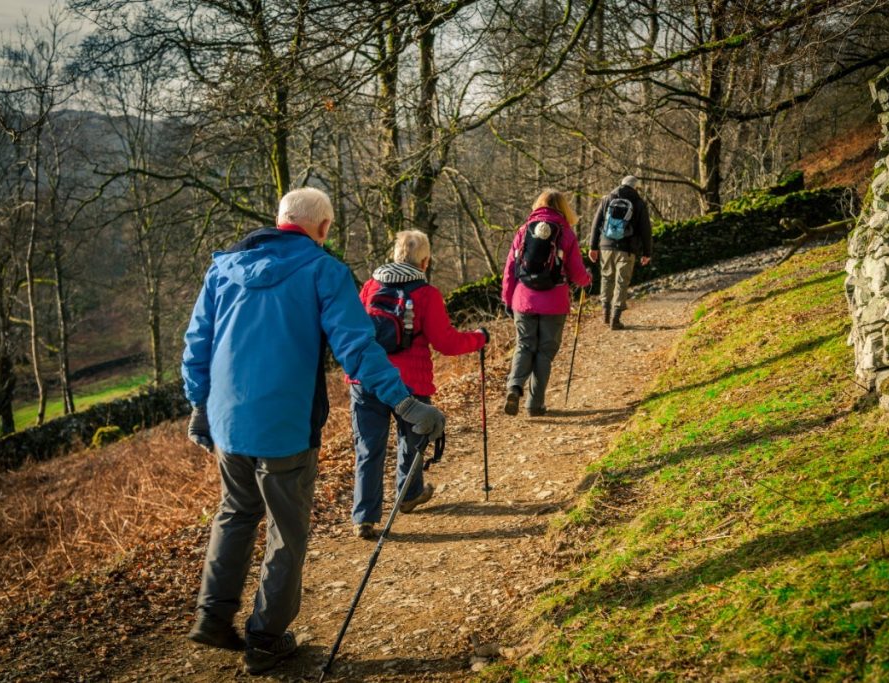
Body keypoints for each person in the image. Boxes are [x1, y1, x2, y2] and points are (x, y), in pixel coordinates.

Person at [180, 188, 445, 676]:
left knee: (235, 513)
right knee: (287, 528)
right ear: (323, 229)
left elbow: (197, 341)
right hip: (285, 425)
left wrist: (198, 404)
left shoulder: (223, 268)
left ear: (279, 219)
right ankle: (265, 639)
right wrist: (405, 403)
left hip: (227, 422)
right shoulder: (324, 271)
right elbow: (359, 350)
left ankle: (213, 615)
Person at [348, 230, 488, 539]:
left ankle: (364, 517)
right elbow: (446, 342)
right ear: (424, 261)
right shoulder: (426, 294)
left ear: (396, 255)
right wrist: (479, 338)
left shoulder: (371, 286)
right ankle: (409, 495)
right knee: (411, 440)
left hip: (366, 377)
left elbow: (355, 330)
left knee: (368, 448)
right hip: (410, 380)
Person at [501, 189, 592, 417]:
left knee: (524, 344)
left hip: (523, 299)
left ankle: (514, 386)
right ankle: (534, 404)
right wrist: (587, 280)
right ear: (563, 208)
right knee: (544, 352)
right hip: (554, 301)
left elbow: (510, 269)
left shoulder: (524, 230)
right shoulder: (566, 233)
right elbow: (577, 273)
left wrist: (507, 299)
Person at [588, 175, 653, 330]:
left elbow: (596, 223)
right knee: (621, 283)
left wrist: (593, 247)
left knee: (606, 278)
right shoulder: (638, 203)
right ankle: (615, 319)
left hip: (606, 247)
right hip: (627, 249)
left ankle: (605, 314)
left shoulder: (607, 199)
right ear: (635, 187)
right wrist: (647, 252)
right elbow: (645, 230)